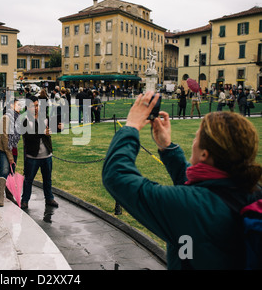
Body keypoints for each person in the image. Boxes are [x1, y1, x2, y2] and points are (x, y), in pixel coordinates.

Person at [102, 91, 262, 269]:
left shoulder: (192, 207)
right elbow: (205, 189)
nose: (193, 141)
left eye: (196, 137)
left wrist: (131, 127)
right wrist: (167, 147)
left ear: (204, 154)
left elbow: (117, 176)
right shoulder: (251, 190)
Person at [21, 96, 61, 210]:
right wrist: (42, 132)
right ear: (28, 107)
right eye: (33, 106)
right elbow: (28, 136)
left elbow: (51, 128)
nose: (36, 108)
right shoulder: (25, 120)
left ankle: (49, 198)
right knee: (28, 180)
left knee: (47, 179)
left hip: (46, 155)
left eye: (37, 105)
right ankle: (25, 200)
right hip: (32, 156)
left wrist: (59, 128)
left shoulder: (44, 117)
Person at [0, 98, 21, 207]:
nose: (20, 107)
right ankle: (0, 197)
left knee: (11, 173)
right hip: (4, 150)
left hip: (14, 149)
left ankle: (9, 195)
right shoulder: (6, 118)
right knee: (5, 170)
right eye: (18, 105)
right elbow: (5, 137)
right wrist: (9, 155)